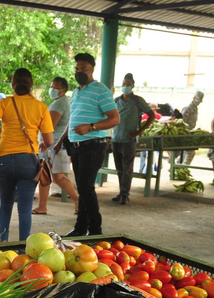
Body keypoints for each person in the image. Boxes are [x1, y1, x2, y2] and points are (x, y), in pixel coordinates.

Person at [0, 69, 53, 241]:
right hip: (28, 161)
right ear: (31, 85)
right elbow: (49, 140)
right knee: (25, 207)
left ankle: (2, 243)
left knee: (5, 204)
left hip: (4, 160)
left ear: (13, 85)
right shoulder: (40, 107)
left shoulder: (5, 103)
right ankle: (23, 248)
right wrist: (42, 144)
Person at [60, 53, 119, 237]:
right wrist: (63, 139)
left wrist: (91, 127)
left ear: (92, 69)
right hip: (77, 147)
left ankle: (95, 231)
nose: (79, 71)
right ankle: (80, 228)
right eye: (77, 68)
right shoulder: (77, 91)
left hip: (92, 145)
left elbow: (115, 119)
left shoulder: (101, 90)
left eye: (83, 68)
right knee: (83, 188)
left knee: (86, 188)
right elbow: (74, 118)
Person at [33, 77, 79, 214]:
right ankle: (43, 206)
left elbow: (49, 126)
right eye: (52, 86)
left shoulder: (60, 104)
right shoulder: (65, 102)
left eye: (56, 87)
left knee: (50, 176)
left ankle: (76, 201)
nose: (52, 90)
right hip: (56, 144)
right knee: (53, 177)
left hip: (54, 145)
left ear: (64, 89)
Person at [111, 73, 154, 205]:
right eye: (124, 84)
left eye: (128, 84)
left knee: (127, 168)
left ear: (133, 85)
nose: (125, 86)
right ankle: (121, 192)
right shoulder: (116, 100)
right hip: (116, 138)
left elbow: (151, 115)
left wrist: (140, 131)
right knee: (119, 168)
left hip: (129, 140)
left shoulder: (138, 101)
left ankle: (125, 194)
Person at [179, 91, 204, 164]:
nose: (198, 102)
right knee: (190, 153)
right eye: (197, 100)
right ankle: (183, 169)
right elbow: (182, 122)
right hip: (185, 133)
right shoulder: (188, 109)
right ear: (193, 98)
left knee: (184, 154)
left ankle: (178, 168)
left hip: (190, 133)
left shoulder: (195, 109)